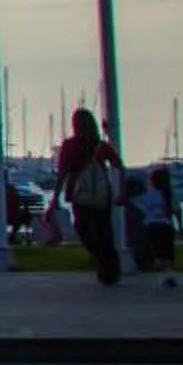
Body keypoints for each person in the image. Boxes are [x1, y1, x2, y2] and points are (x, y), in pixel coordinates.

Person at [54, 108, 124, 286]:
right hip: (101, 194)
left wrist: (56, 197)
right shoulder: (100, 145)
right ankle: (109, 267)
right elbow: (119, 166)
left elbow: (63, 172)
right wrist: (121, 190)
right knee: (104, 231)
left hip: (80, 194)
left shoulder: (70, 145)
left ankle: (103, 261)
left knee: (83, 228)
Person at [134, 164, 179, 283]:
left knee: (156, 251)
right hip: (167, 225)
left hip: (151, 226)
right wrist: (181, 225)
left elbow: (140, 208)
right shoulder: (169, 195)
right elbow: (177, 210)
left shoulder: (148, 195)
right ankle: (169, 274)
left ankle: (162, 274)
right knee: (168, 251)